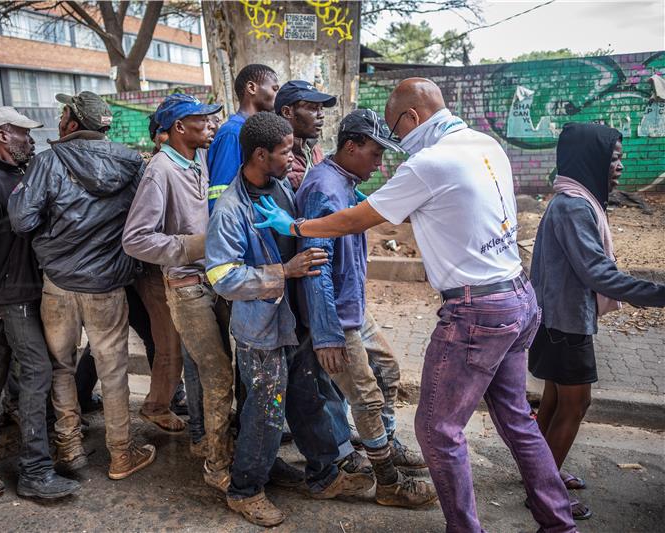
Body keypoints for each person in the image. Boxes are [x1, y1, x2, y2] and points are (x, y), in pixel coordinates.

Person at [253, 78, 576, 533]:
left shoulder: (429, 162)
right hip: (517, 299)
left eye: (396, 134)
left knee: (437, 432)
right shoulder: (485, 143)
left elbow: (360, 219)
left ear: (412, 118)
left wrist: (298, 226)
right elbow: (405, 210)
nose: (396, 148)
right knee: (518, 421)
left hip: (476, 311)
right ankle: (559, 523)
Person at [206, 111, 374, 526]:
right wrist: (284, 271)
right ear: (260, 155)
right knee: (264, 413)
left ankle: (324, 474)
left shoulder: (280, 188)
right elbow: (222, 277)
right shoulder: (229, 210)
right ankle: (245, 490)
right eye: (284, 152)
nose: (292, 158)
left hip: (292, 322)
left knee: (306, 400)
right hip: (260, 332)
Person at [9, 91, 155, 480]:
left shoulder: (46, 162)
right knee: (114, 369)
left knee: (61, 366)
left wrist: (54, 237)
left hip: (58, 284)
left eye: (63, 113)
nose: (59, 119)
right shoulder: (131, 162)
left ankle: (70, 447)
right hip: (107, 284)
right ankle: (122, 454)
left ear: (72, 123)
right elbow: (145, 219)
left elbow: (22, 222)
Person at [296, 109, 435, 508]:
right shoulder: (324, 188)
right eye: (375, 154)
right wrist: (326, 334)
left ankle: (383, 444)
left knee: (388, 369)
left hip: (352, 306)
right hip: (337, 316)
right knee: (366, 397)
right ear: (351, 146)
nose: (379, 163)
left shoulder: (344, 182)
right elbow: (315, 269)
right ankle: (388, 481)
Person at [528, 122, 665, 520]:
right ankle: (544, 495)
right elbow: (598, 273)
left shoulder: (573, 199)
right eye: (614, 157)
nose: (619, 165)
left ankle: (540, 475)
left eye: (620, 157)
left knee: (554, 401)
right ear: (593, 158)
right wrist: (656, 294)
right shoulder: (573, 206)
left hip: (556, 317)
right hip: (564, 322)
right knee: (577, 403)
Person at [0, 106, 80, 500]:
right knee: (36, 371)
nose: (30, 138)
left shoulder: (22, 176)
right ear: (3, 136)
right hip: (12, 298)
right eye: (23, 132)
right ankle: (35, 470)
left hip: (21, 294)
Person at [123, 93, 237, 491]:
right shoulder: (160, 171)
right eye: (201, 120)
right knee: (216, 374)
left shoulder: (199, 160)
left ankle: (209, 442)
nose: (210, 125)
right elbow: (135, 239)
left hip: (213, 279)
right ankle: (217, 465)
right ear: (177, 129)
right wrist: (191, 247)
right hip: (186, 284)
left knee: (213, 372)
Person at [207, 64, 280, 211]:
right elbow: (220, 194)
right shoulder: (232, 133)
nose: (278, 95)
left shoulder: (257, 131)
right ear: (252, 88)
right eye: (275, 89)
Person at [274, 80, 336, 191]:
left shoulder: (313, 148)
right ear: (287, 112)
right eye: (313, 108)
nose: (321, 115)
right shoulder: (276, 155)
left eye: (321, 108)